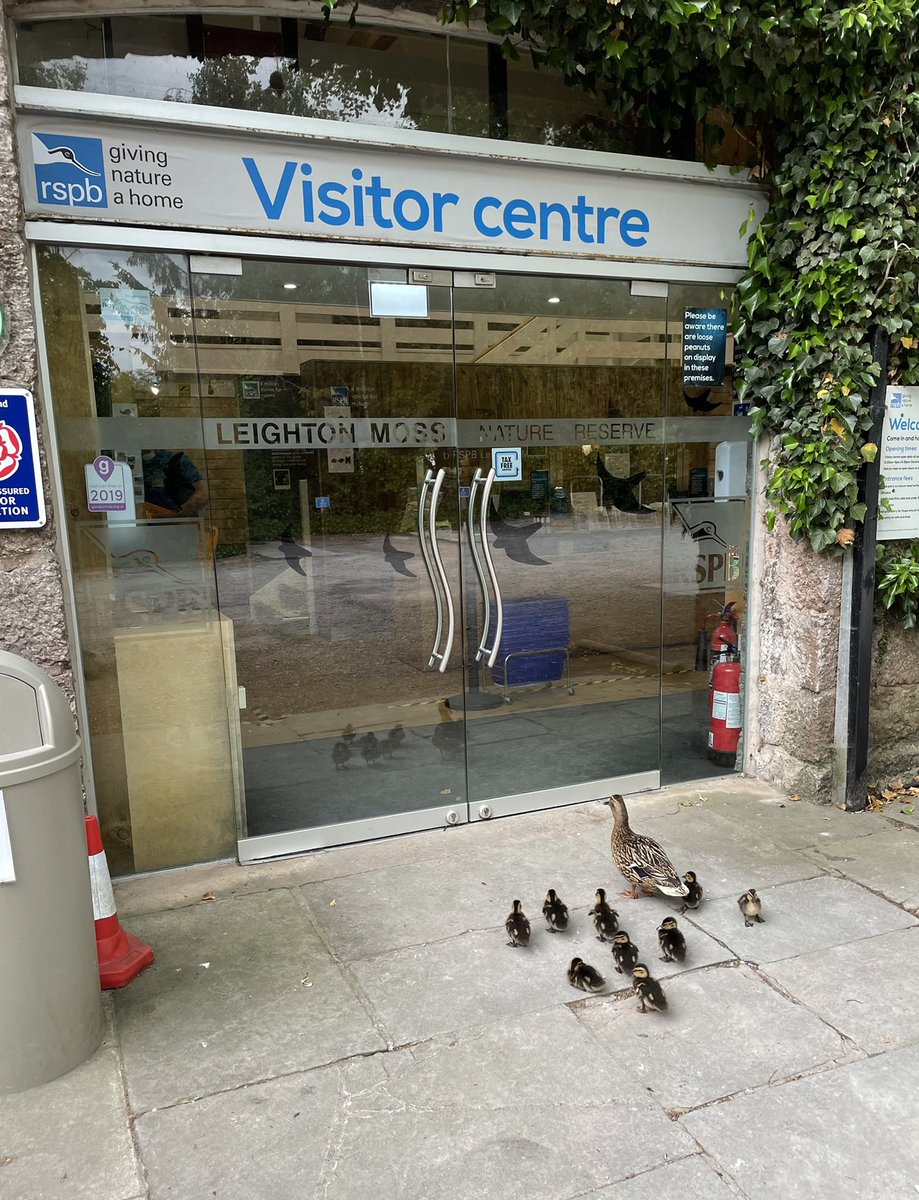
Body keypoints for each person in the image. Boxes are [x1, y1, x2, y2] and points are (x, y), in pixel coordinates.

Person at [141, 449, 208, 518]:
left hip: (180, 524)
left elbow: (203, 493)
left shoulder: (174, 460)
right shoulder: (136, 465)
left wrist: (177, 514)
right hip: (147, 523)